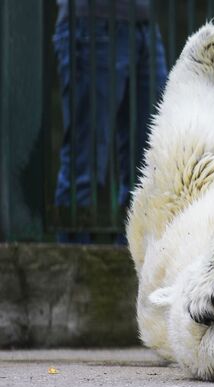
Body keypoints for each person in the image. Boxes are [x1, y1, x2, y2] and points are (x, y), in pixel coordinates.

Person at [53, 0, 167, 243]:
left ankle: (127, 268)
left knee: (150, 163)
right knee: (84, 164)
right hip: (93, 22)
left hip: (145, 25)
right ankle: (71, 269)